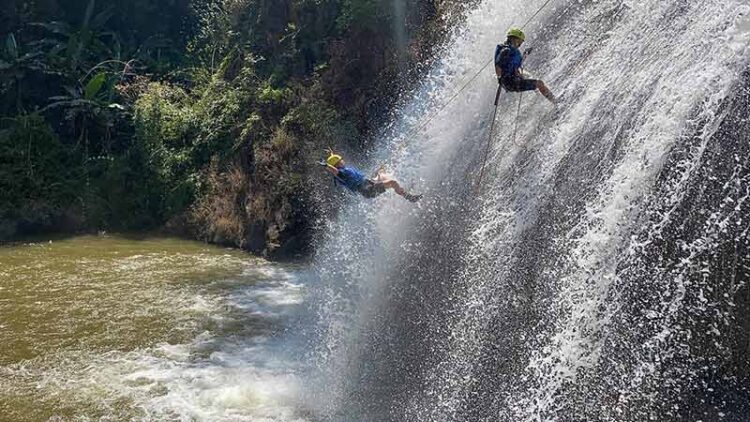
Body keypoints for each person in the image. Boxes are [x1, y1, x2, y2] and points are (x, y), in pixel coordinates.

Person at [320, 151, 422, 202]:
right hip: (368, 190)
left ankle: (401, 189)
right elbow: (334, 170)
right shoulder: (342, 173)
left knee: (381, 172)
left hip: (368, 183)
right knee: (392, 183)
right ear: (338, 163)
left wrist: (331, 153)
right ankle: (409, 197)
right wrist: (326, 165)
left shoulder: (342, 170)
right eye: (340, 160)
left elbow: (334, 166)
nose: (343, 160)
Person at [495, 28, 557, 104]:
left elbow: (512, 66)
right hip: (510, 82)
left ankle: (543, 100)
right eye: (520, 41)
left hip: (512, 80)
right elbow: (498, 65)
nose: (520, 44)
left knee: (533, 79)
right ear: (514, 39)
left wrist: (525, 55)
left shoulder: (512, 51)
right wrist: (500, 78)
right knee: (539, 83)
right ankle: (555, 102)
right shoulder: (506, 50)